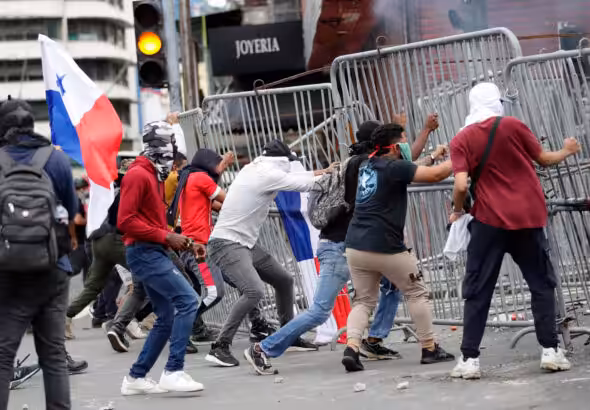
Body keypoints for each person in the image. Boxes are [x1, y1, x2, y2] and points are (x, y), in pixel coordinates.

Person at [244, 116, 445, 374]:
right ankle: (263, 348)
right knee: (319, 311)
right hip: (340, 246)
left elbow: (405, 165)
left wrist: (427, 142)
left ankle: (372, 340)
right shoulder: (368, 165)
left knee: (392, 287)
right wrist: (429, 139)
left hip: (357, 246)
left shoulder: (360, 163)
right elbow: (407, 167)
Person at [448, 82, 578, 379]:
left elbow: (460, 185)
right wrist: (568, 150)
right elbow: (544, 159)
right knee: (541, 284)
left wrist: (458, 209)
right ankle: (550, 351)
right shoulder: (514, 125)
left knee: (478, 289)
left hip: (489, 221)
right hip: (528, 217)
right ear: (497, 102)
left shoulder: (461, 139)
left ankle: (469, 360)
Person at [205, 139, 335, 367]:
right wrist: (336, 175)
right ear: (281, 161)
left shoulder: (257, 168)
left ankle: (288, 336)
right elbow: (303, 184)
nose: (291, 166)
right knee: (253, 291)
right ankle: (220, 346)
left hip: (244, 243)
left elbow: (297, 178)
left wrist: (324, 170)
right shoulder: (267, 174)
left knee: (284, 280)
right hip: (227, 244)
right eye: (290, 162)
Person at [341, 123, 456, 372]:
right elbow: (436, 175)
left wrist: (434, 156)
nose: (407, 143)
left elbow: (414, 169)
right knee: (416, 292)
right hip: (385, 246)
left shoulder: (368, 164)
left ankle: (352, 347)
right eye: (405, 140)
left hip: (355, 245)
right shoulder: (393, 167)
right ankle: (429, 348)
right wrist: (465, 156)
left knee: (363, 301)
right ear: (394, 147)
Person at [0, 97, 85, 410]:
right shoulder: (56, 159)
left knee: (3, 355)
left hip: (6, 272)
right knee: (52, 356)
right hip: (52, 268)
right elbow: (74, 210)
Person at [117, 121, 204, 395]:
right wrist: (167, 237)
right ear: (158, 148)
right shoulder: (138, 175)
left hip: (151, 250)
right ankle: (173, 371)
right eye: (170, 150)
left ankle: (136, 377)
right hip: (144, 252)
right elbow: (126, 221)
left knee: (166, 315)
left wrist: (184, 242)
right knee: (188, 300)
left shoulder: (149, 174)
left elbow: (147, 221)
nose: (173, 158)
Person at [168, 148, 234, 343]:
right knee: (214, 293)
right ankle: (180, 328)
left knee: (244, 284)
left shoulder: (189, 178)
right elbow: (228, 200)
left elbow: (215, 204)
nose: (220, 169)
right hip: (198, 246)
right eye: (218, 165)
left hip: (198, 245)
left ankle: (257, 323)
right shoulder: (200, 178)